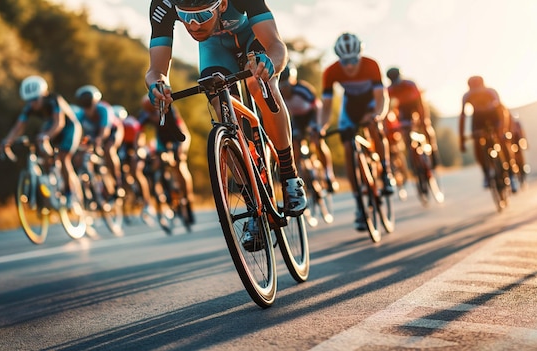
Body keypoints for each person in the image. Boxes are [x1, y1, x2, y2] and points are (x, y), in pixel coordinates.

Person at [146, 0, 307, 248]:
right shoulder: (163, 4)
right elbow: (156, 69)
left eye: (201, 15)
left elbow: (276, 46)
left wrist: (270, 65)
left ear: (221, 5)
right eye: (185, 16)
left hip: (254, 39)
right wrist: (157, 84)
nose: (193, 25)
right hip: (215, 50)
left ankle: (289, 176)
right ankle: (253, 204)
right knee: (222, 109)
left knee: (260, 84)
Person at [319, 33, 394, 230]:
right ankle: (359, 205)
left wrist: (377, 115)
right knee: (347, 147)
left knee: (374, 127)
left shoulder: (371, 65)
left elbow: (381, 98)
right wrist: (321, 127)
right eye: (345, 62)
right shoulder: (331, 71)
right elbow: (326, 106)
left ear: (359, 56)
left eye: (353, 60)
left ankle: (386, 171)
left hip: (371, 102)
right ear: (339, 59)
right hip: (350, 106)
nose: (350, 66)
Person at [0, 75, 82, 208]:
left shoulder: (54, 100)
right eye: (29, 101)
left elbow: (59, 123)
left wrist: (47, 136)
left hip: (69, 127)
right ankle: (52, 171)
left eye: (35, 100)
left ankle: (69, 192)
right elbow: (18, 127)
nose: (33, 104)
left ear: (43, 94)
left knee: (63, 157)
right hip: (52, 126)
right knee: (40, 143)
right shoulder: (29, 107)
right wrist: (7, 141)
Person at [279, 62, 338, 193]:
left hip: (311, 114)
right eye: (281, 86)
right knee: (293, 144)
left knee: (317, 141)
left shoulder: (302, 90)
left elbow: (317, 106)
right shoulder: (279, 94)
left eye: (287, 86)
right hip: (296, 118)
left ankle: (329, 174)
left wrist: (317, 126)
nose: (285, 90)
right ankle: (299, 173)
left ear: (292, 82)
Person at [140, 95, 195, 225]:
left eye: (154, 112)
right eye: (150, 113)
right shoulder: (145, 115)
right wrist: (140, 148)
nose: (153, 116)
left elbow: (182, 131)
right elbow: (139, 132)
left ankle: (188, 199)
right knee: (157, 162)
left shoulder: (170, 110)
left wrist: (181, 149)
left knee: (180, 165)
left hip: (178, 136)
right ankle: (165, 190)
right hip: (162, 140)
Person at [458, 75, 517, 191]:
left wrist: (502, 129)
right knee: (477, 141)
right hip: (478, 118)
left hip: (494, 115)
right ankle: (486, 172)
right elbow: (462, 116)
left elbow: (501, 111)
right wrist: (461, 139)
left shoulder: (491, 92)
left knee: (502, 140)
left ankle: (511, 173)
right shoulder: (467, 96)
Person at [74, 85, 125, 198]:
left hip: (112, 131)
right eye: (85, 106)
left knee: (109, 150)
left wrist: (98, 141)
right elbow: (79, 135)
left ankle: (118, 183)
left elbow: (104, 131)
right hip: (94, 134)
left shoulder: (104, 109)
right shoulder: (80, 115)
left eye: (90, 105)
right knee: (80, 155)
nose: (88, 109)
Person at [386, 67, 439, 167]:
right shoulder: (389, 89)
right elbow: (388, 109)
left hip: (415, 105)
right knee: (405, 132)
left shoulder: (409, 84)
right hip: (402, 109)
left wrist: (422, 119)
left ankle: (433, 151)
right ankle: (413, 158)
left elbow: (420, 102)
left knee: (425, 125)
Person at [114, 105, 155, 223]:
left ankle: (147, 203)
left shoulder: (131, 125)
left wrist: (137, 152)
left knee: (136, 171)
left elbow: (139, 139)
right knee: (121, 169)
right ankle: (128, 189)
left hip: (137, 144)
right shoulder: (115, 126)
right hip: (124, 146)